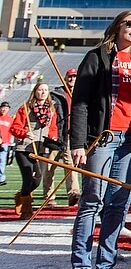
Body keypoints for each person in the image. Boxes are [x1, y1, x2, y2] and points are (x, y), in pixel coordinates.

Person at [67, 11, 131, 269]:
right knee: (92, 202)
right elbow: (80, 102)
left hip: (130, 141)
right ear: (117, 27)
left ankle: (105, 267)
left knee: (118, 205)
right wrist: (77, 143)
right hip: (102, 139)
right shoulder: (97, 57)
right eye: (130, 24)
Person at [10, 81, 63, 220]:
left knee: (38, 179)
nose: (43, 92)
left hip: (41, 148)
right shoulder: (25, 108)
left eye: (46, 90)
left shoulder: (51, 110)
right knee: (28, 177)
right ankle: (26, 210)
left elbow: (53, 128)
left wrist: (53, 136)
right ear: (35, 91)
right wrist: (24, 133)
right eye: (40, 90)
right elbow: (14, 128)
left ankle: (20, 196)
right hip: (24, 148)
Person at [46, 69, 82, 205]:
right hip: (55, 135)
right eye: (70, 76)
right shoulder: (55, 94)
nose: (72, 79)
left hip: (70, 136)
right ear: (65, 78)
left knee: (71, 166)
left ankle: (74, 193)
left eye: (74, 77)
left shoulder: (81, 93)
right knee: (49, 167)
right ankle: (49, 196)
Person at [0, 101, 12, 186]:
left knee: (2, 160)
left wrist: (8, 141)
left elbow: (11, 132)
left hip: (4, 143)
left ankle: (1, 178)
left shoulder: (10, 119)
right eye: (3, 107)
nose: (4, 109)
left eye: (6, 108)